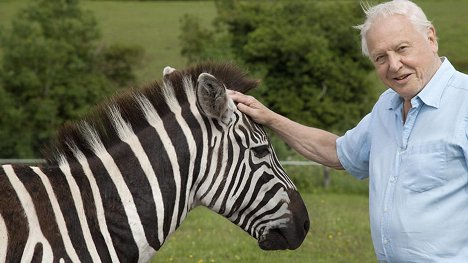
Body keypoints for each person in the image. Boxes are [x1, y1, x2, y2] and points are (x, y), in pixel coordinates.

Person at [229, 0, 468, 262]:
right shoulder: (386, 107)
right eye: (380, 58)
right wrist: (269, 117)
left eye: (402, 49)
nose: (395, 65)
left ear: (431, 38)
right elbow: (336, 152)